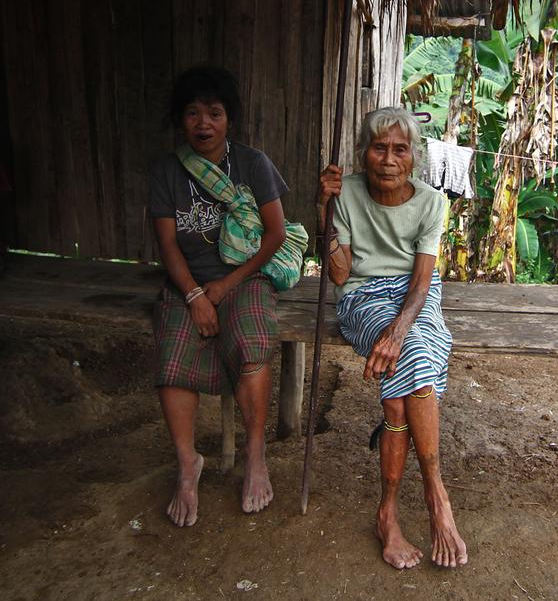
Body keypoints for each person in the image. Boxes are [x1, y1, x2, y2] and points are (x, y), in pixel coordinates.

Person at [316, 107, 468, 569]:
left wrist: (397, 333)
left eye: (400, 149)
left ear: (414, 157)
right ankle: (436, 495)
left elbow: (421, 283)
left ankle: (390, 512)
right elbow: (339, 274)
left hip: (415, 297)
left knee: (400, 396)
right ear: (363, 153)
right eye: (379, 148)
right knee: (417, 365)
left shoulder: (431, 203)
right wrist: (324, 210)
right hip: (362, 295)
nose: (388, 159)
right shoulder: (345, 194)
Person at [149, 66, 289, 527]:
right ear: (180, 120)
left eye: (214, 113)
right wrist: (193, 295)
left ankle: (255, 455)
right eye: (192, 113)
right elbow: (168, 244)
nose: (203, 124)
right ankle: (188, 463)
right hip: (187, 283)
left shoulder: (252, 164)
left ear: (229, 118)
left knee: (252, 344)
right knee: (172, 360)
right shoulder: (167, 171)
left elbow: (275, 234)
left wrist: (226, 286)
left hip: (244, 278)